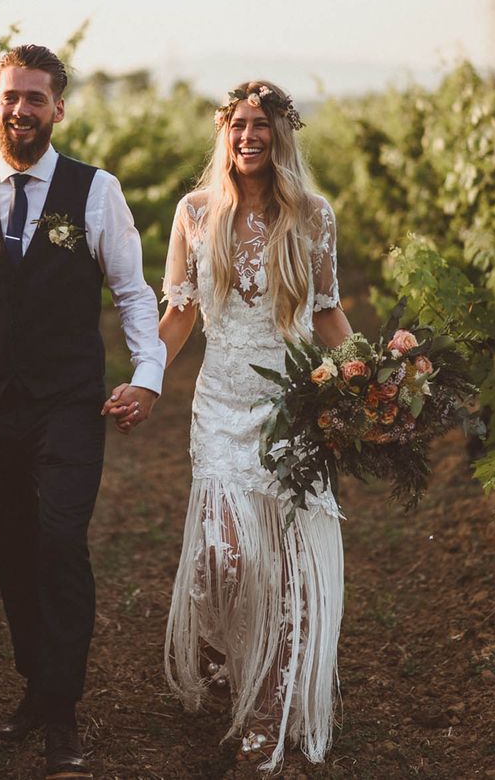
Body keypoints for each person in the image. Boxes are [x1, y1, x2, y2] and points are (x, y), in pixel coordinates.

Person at [0, 44, 165, 780]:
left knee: (61, 544)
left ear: (59, 108)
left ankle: (60, 711)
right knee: (14, 551)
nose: (21, 110)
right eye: (10, 97)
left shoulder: (95, 192)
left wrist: (148, 375)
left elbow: (132, 293)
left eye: (36, 98)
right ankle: (36, 686)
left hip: (67, 403)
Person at [105, 80, 351, 773]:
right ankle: (225, 655)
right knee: (223, 560)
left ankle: (264, 719)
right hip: (218, 404)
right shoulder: (194, 213)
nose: (249, 136)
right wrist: (146, 380)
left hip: (293, 404)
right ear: (225, 132)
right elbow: (180, 313)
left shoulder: (312, 217)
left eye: (262, 125)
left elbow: (327, 311)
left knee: (278, 572)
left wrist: (366, 377)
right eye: (238, 124)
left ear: (281, 136)